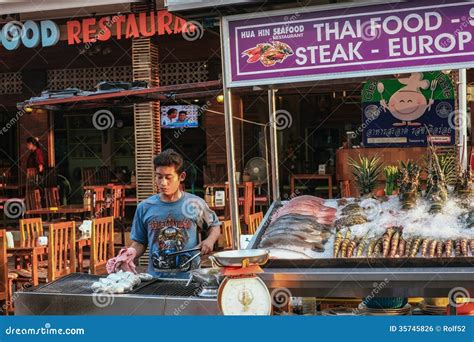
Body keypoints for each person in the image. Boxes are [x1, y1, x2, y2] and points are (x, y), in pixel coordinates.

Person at [125, 149, 221, 278]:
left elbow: (214, 226)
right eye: (159, 177)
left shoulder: (194, 204)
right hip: (156, 280)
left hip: (189, 279)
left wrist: (209, 241)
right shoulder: (145, 207)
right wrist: (128, 254)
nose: (163, 183)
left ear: (181, 177)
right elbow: (140, 242)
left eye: (168, 177)